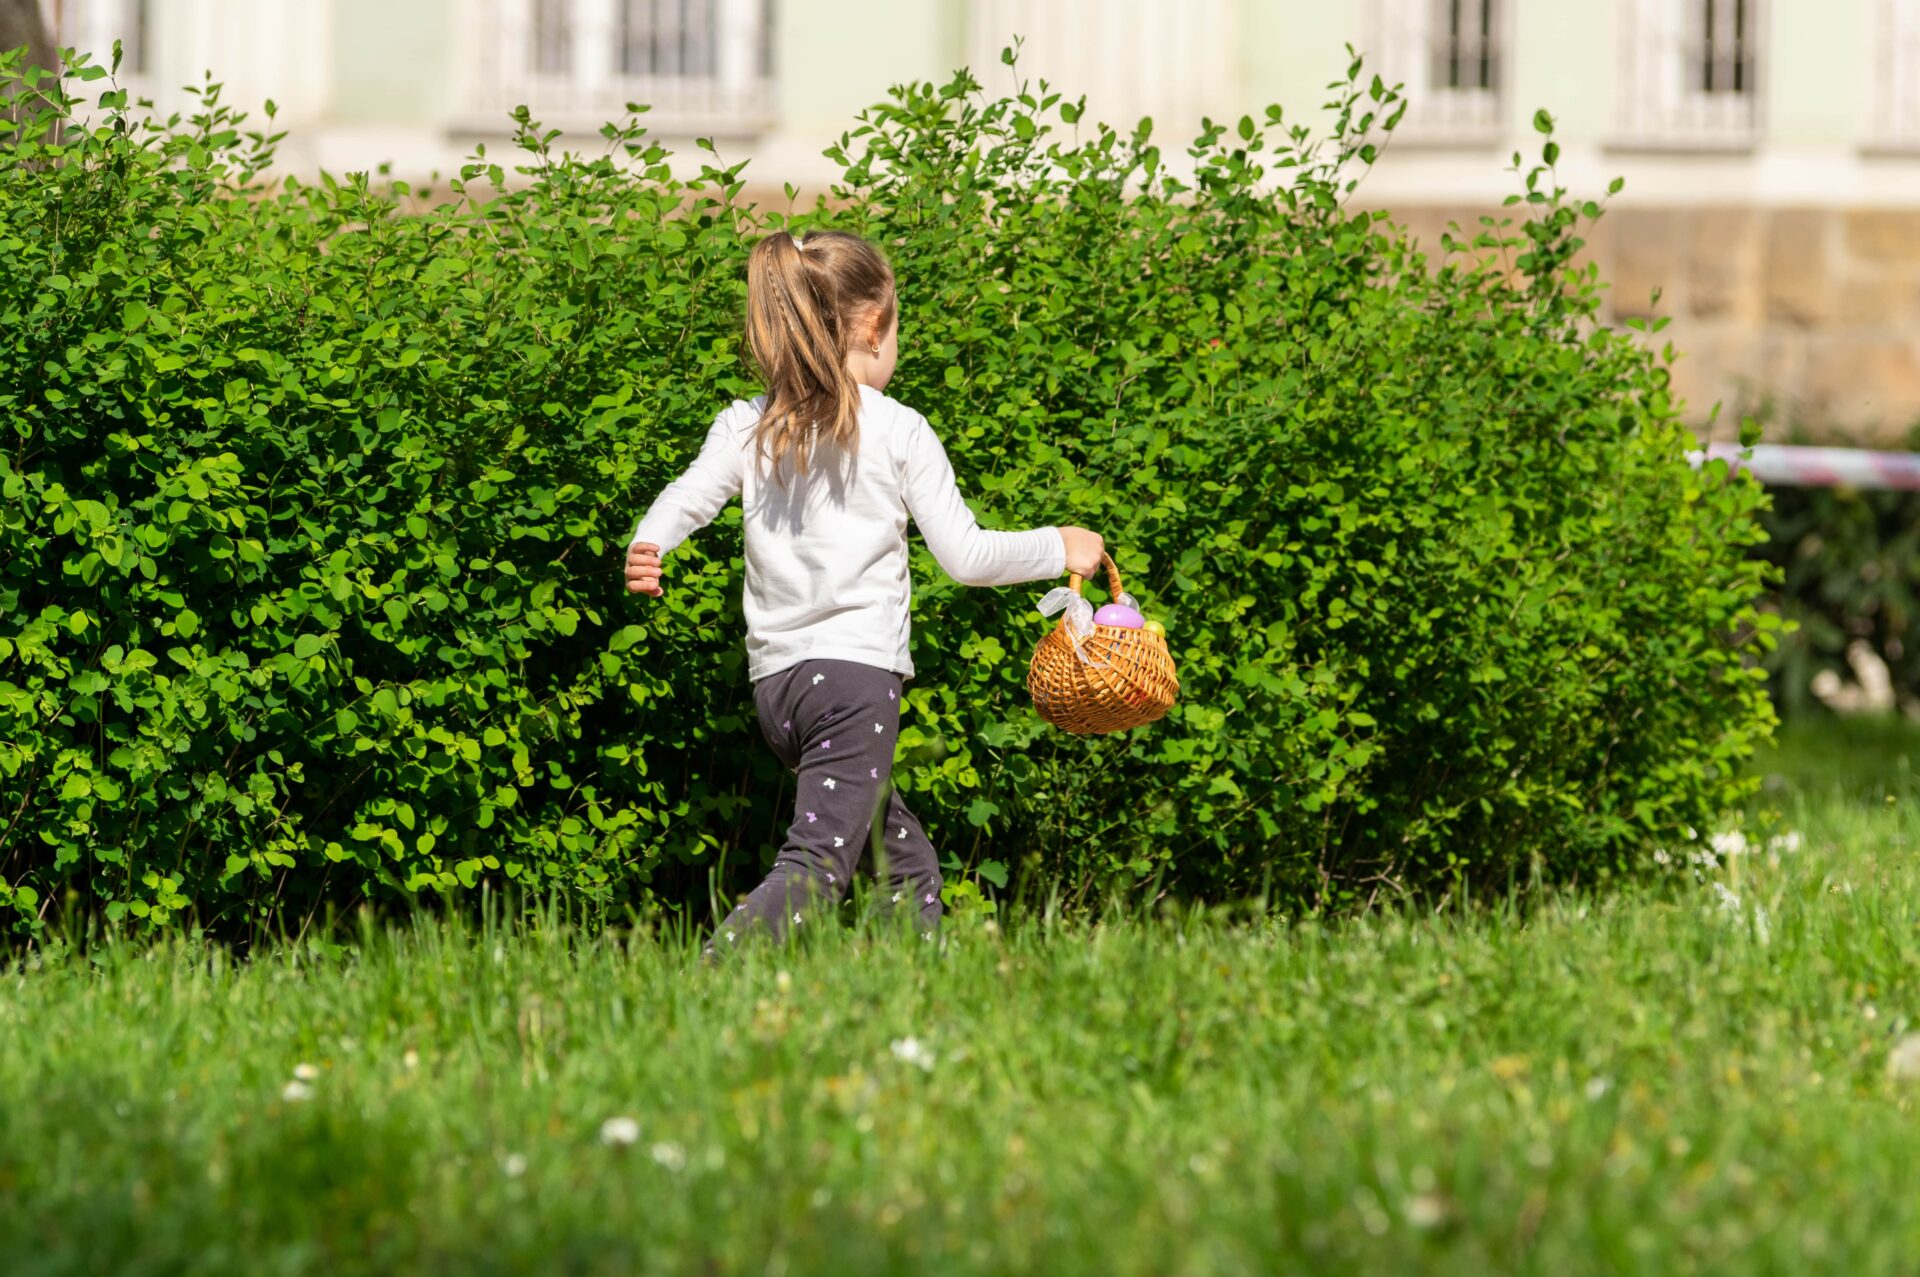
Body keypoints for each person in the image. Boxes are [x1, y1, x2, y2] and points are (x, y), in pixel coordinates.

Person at [622, 229, 1104, 951]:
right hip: (853, 684)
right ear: (874, 327)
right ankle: (714, 973)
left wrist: (650, 542)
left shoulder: (750, 422)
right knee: (817, 864)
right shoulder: (898, 428)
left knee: (902, 862)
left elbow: (689, 494)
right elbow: (967, 556)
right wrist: (1059, 545)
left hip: (779, 691)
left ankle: (909, 982)